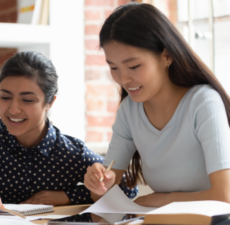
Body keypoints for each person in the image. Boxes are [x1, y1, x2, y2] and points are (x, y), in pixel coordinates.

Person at [0, 51, 137, 213]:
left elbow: (128, 188)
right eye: (5, 97)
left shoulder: (70, 152)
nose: (13, 109)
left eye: (27, 100)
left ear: (49, 103)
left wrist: (65, 196)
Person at [84, 3, 230, 207]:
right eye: (113, 67)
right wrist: (98, 184)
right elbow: (101, 197)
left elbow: (224, 195)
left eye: (134, 66)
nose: (123, 79)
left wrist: (164, 200)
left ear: (166, 55)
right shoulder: (129, 112)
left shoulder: (203, 102)